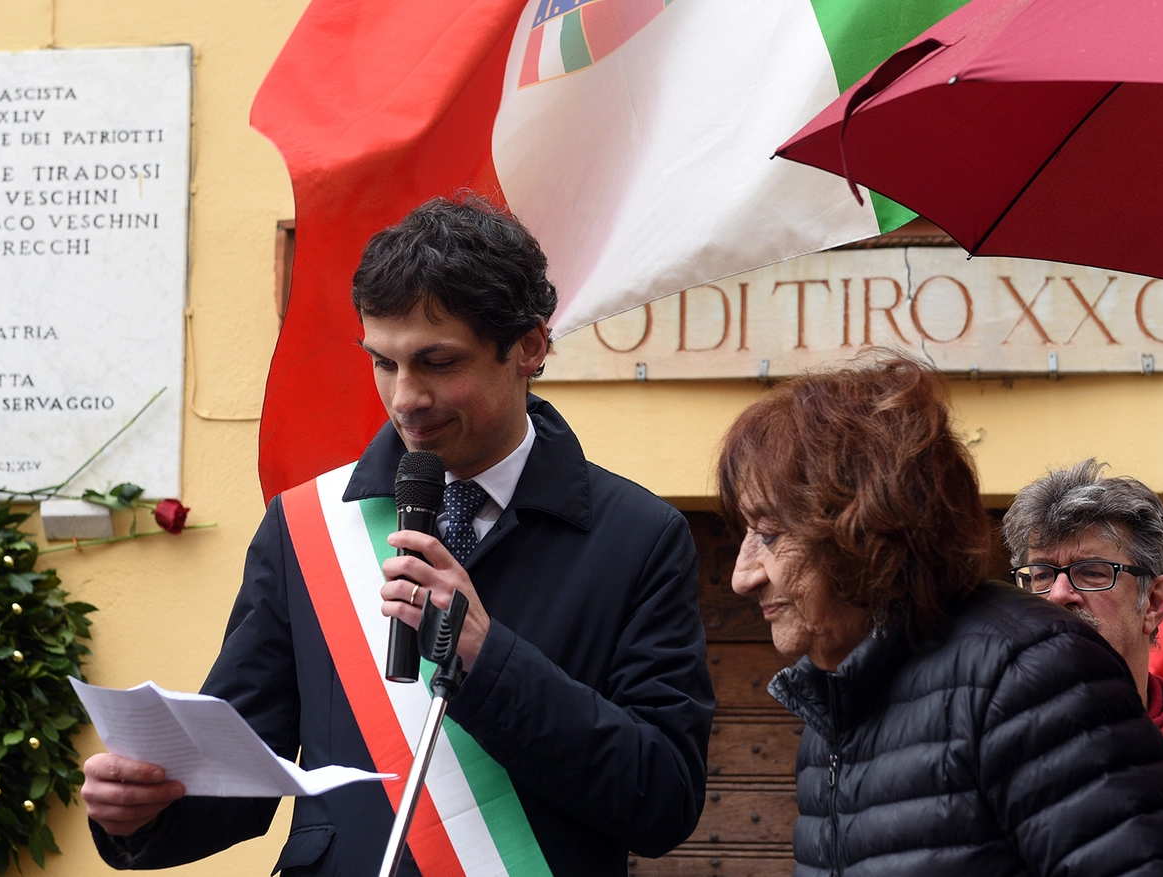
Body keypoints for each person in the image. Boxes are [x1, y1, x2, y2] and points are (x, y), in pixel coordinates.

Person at [82, 195, 714, 875]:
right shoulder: (304, 528)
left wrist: (488, 656)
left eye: (438, 362)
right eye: (383, 361)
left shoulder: (641, 538)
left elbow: (663, 798)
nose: (405, 395)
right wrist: (143, 810)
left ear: (529, 346)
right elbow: (243, 774)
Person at [719, 356, 1163, 875]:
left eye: (771, 534)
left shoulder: (1029, 673)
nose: (743, 576)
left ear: (865, 527)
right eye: (1041, 572)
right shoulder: (833, 706)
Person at [1003, 461, 1163, 754]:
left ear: (1153, 603)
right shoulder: (977, 747)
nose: (1059, 595)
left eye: (1092, 572)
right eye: (1042, 575)